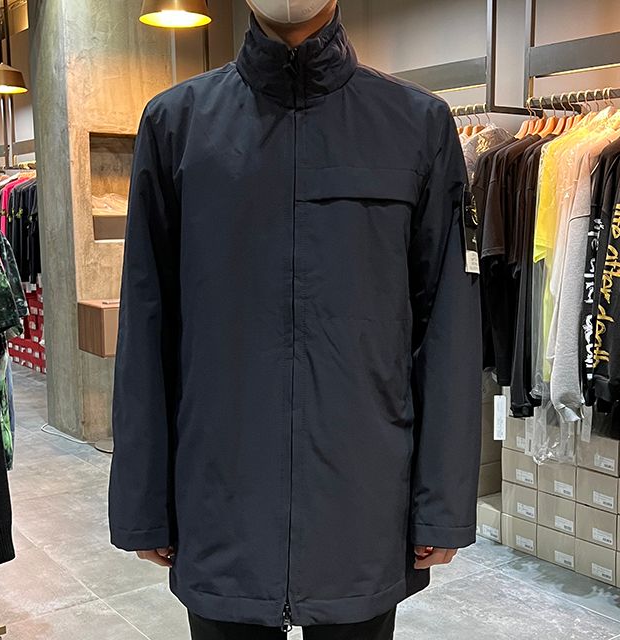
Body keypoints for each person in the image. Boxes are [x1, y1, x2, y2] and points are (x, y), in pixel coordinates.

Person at [108, 1, 482, 638]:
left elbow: (447, 327)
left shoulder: (416, 125)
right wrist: (145, 502)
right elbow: (147, 324)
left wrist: (442, 503)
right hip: (220, 495)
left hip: (363, 499)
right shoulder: (177, 124)